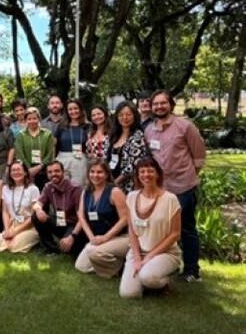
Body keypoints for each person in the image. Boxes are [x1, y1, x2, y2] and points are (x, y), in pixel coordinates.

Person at [144, 90, 206, 282]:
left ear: (171, 104)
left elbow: (199, 156)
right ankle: (165, 266)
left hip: (183, 187)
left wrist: (189, 176)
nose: (159, 107)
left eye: (163, 103)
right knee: (162, 229)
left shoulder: (186, 127)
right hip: (160, 189)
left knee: (186, 228)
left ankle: (191, 270)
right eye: (156, 104)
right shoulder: (149, 130)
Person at [119, 157, 182, 298]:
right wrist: (136, 258)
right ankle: (146, 280)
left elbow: (175, 234)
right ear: (137, 175)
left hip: (165, 253)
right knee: (129, 294)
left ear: (158, 174)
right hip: (138, 252)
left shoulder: (170, 199)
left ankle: (164, 280)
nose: (146, 175)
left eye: (150, 171)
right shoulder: (131, 197)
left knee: (148, 277)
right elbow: (132, 230)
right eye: (142, 171)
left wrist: (148, 258)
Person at [74, 161, 130, 278]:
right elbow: (82, 217)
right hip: (98, 237)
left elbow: (125, 218)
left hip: (121, 236)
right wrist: (91, 238)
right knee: (81, 266)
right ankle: (114, 263)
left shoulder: (114, 192)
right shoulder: (86, 192)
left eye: (100, 172)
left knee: (95, 253)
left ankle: (121, 268)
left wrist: (106, 237)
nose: (95, 175)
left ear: (106, 174)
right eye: (92, 172)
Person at [31, 160, 86, 256]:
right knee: (36, 216)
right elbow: (37, 203)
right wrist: (39, 210)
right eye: (50, 172)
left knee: (70, 250)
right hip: (60, 221)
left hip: (75, 225)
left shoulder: (75, 189)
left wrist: (72, 236)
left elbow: (82, 217)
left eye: (57, 171)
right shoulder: (48, 186)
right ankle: (51, 249)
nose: (53, 174)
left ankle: (71, 242)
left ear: (63, 172)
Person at [0, 161, 40, 253]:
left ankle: (35, 240)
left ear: (25, 172)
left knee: (12, 246)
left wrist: (16, 231)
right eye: (13, 170)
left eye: (19, 169)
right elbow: (5, 211)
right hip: (12, 223)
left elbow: (34, 216)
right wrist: (6, 229)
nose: (16, 172)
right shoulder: (6, 188)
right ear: (9, 174)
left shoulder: (33, 189)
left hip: (29, 225)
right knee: (3, 242)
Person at [106, 101, 149, 193]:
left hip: (128, 186)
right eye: (121, 115)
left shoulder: (138, 136)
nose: (124, 118)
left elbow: (134, 164)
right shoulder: (112, 135)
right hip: (109, 181)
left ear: (134, 116)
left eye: (128, 114)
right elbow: (105, 157)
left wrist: (115, 183)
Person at [13, 107, 55, 191]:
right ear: (26, 120)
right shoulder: (21, 135)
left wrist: (40, 166)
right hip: (26, 171)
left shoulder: (47, 134)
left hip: (44, 170)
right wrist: (29, 169)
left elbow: (50, 153)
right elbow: (19, 154)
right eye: (29, 119)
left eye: (34, 118)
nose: (32, 121)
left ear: (39, 119)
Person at [54, 99, 89, 186]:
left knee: (78, 188)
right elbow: (54, 145)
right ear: (67, 111)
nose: (73, 111)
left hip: (80, 160)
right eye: (70, 109)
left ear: (80, 109)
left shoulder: (88, 126)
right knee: (61, 186)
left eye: (76, 108)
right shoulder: (61, 126)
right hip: (63, 159)